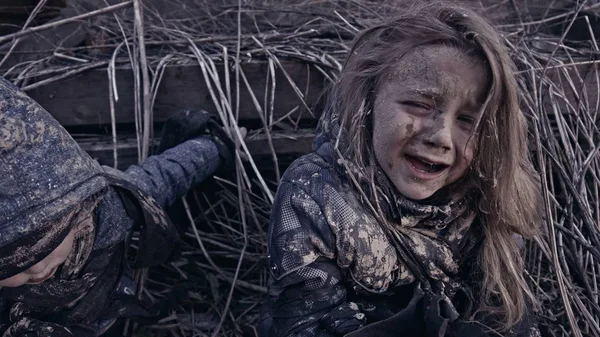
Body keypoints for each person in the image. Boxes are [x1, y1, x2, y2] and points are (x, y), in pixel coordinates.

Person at [259, 3, 543, 337]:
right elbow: (306, 321)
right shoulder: (316, 194)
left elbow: (504, 314)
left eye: (468, 120)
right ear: (369, 100)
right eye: (419, 106)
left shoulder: (489, 195)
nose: (441, 136)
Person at [0, 76, 242, 336]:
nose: (37, 269)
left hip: (101, 312)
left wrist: (215, 145)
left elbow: (162, 177)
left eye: (48, 246)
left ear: (76, 216)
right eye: (13, 265)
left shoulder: (107, 210)